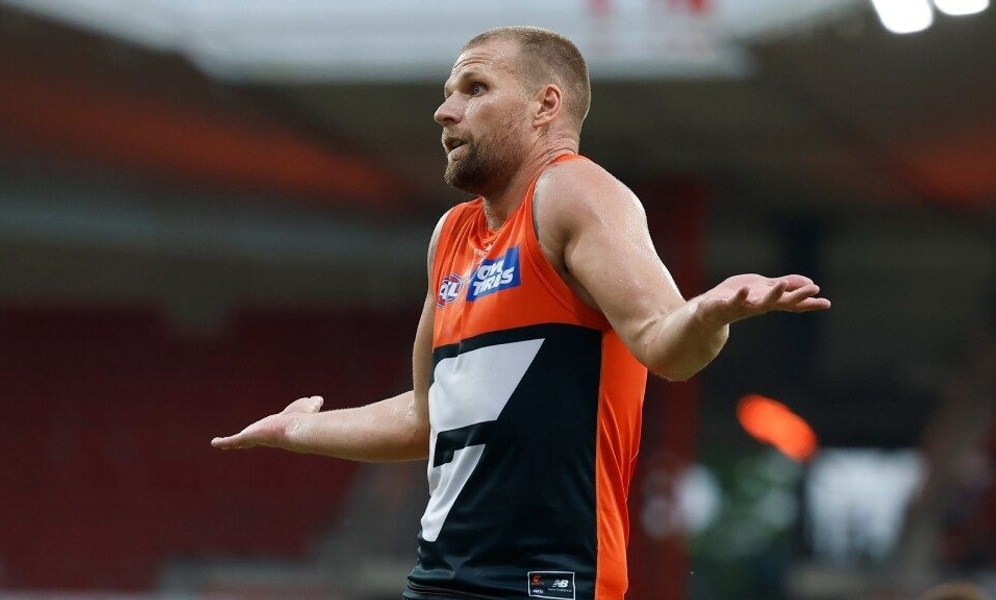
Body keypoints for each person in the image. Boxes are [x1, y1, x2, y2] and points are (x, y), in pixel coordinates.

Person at [211, 26, 830, 600]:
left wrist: (708, 314)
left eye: (475, 88)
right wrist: (300, 431)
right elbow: (428, 417)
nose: (445, 110)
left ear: (545, 105)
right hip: (440, 577)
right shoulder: (451, 235)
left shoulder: (572, 192)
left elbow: (666, 346)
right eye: (448, 93)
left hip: (547, 579)